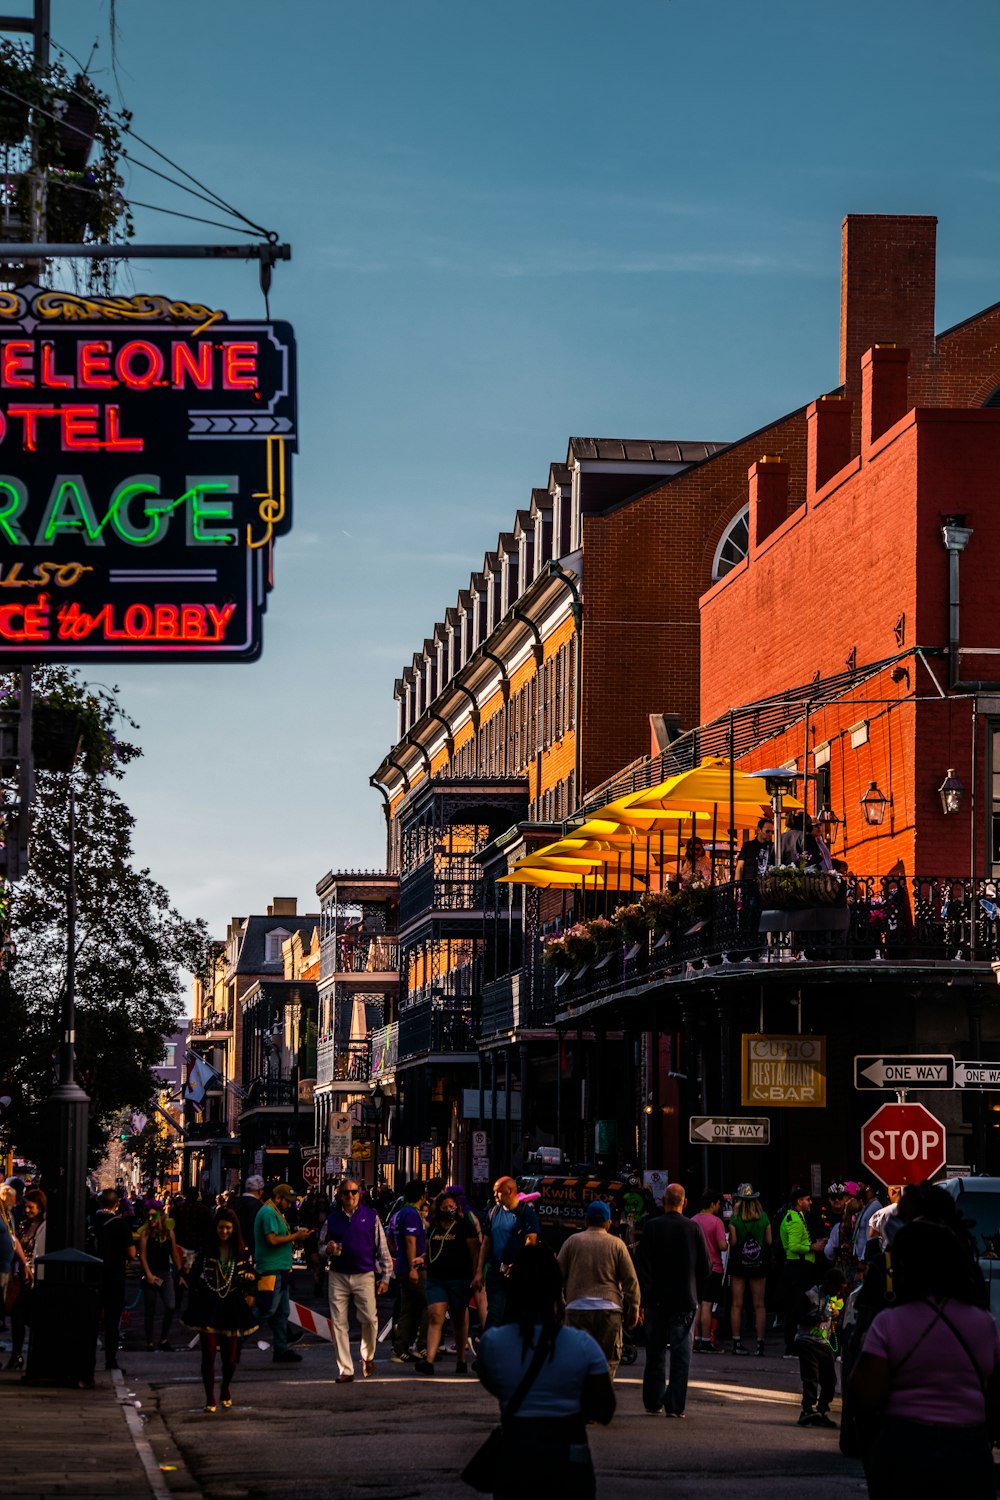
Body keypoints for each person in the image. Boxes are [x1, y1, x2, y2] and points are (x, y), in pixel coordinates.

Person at [850, 1217, 1000, 1496]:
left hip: (905, 1446)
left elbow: (865, 1395)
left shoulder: (889, 1324)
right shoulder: (984, 1324)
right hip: (969, 1450)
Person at [475, 1244, 614, 1500]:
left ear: (514, 1287)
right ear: (556, 1288)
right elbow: (604, 1410)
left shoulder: (493, 1343)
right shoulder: (583, 1346)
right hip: (568, 1453)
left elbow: (492, 1382)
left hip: (515, 1454)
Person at [635, 1182, 709, 1418]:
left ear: (663, 1201)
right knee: (681, 1352)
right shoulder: (693, 1229)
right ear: (684, 1203)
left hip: (656, 1299)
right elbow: (705, 1267)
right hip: (685, 1298)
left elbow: (642, 1267)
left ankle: (653, 1400)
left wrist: (643, 1299)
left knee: (655, 1350)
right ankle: (675, 1405)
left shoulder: (651, 1228)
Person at [183, 1207, 258, 1413]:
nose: (224, 1231)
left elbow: (251, 1273)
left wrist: (249, 1281)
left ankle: (225, 1388)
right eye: (221, 1227)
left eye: (227, 1228)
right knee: (208, 1354)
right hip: (208, 1306)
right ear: (215, 1228)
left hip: (232, 1306)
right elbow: (194, 1277)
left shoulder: (242, 1251)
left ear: (234, 1229)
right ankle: (210, 1398)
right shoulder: (206, 1250)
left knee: (230, 1359)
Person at [556, 1199, 639, 1379]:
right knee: (607, 1361)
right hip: (609, 1311)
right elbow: (630, 1281)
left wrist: (560, 1303)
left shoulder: (572, 1242)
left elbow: (555, 1277)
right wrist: (634, 1310)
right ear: (608, 1223)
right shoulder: (617, 1244)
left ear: (586, 1221)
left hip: (577, 1309)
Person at [320, 1178, 392, 1382]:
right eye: (346, 1193)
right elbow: (320, 1245)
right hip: (338, 1275)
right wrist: (328, 1249)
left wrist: (385, 1277)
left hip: (364, 1274)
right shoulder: (332, 1219)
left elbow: (382, 1248)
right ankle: (346, 1369)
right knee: (339, 1323)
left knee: (370, 1318)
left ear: (359, 1194)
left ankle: (367, 1356)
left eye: (353, 1192)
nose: (350, 1196)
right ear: (340, 1197)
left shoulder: (371, 1217)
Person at [415, 1189, 479, 1375]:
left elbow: (475, 1251)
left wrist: (476, 1274)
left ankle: (461, 1359)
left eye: (452, 1206)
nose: (449, 1209)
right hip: (436, 1279)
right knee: (436, 1316)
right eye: (445, 1207)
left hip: (459, 1278)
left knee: (459, 1320)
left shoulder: (464, 1226)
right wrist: (422, 1259)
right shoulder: (434, 1227)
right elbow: (429, 1250)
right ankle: (429, 1361)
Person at [254, 1183, 311, 1365]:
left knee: (281, 1312)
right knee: (267, 1309)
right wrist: (295, 1237)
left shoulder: (274, 1212)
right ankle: (236, 1339)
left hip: (280, 1268)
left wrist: (294, 1236)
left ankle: (281, 1349)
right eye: (288, 1202)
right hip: (271, 1269)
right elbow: (271, 1239)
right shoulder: (269, 1213)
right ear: (278, 1198)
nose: (289, 1205)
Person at [473, 1176, 540, 1328]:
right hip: (495, 1274)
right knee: (495, 1314)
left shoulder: (526, 1213)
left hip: (519, 1276)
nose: (495, 1195)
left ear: (510, 1191)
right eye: (494, 1192)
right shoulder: (493, 1212)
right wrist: (479, 1271)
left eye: (499, 1192)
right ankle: (490, 1348)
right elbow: (486, 1243)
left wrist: (517, 1264)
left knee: (515, 1316)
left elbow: (531, 1242)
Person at [794, 1265, 847, 1427]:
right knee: (811, 1377)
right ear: (827, 1283)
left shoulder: (832, 1299)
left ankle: (822, 1409)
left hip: (824, 1343)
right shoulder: (810, 1296)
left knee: (830, 1380)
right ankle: (807, 1409)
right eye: (837, 1288)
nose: (838, 1293)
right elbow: (797, 1317)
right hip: (807, 1341)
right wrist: (816, 1318)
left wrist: (835, 1316)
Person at [779, 1186, 826, 1357]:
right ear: (799, 1202)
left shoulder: (798, 1216)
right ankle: (791, 1345)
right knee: (794, 1307)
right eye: (807, 1199)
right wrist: (812, 1247)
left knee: (799, 1306)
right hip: (797, 1268)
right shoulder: (794, 1219)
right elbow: (793, 1246)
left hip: (801, 1267)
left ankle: (797, 1343)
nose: (810, 1202)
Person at [93, 1187, 137, 1371]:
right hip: (114, 1276)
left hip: (91, 1275)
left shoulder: (90, 1220)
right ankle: (110, 1360)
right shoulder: (119, 1224)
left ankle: (87, 1356)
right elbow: (132, 1253)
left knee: (91, 1317)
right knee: (112, 1321)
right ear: (117, 1204)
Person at [728, 1182, 772, 1356]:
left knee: (736, 1304)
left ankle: (737, 1342)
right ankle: (760, 1343)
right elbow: (768, 1241)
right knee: (759, 1305)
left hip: (740, 1264)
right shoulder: (764, 1217)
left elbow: (733, 1242)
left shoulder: (734, 1218)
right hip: (759, 1263)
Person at [6, 1188, 45, 1371]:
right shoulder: (24, 1225)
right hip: (23, 1277)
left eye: (31, 1207)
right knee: (18, 1315)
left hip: (36, 1277)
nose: (27, 1210)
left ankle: (19, 1355)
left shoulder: (44, 1226)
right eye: (26, 1207)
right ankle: (17, 1355)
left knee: (23, 1315)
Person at [391, 1179, 429, 1363]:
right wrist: (414, 1267)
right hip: (413, 1268)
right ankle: (423, 1344)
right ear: (422, 1196)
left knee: (409, 1307)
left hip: (402, 1266)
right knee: (430, 1303)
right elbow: (410, 1241)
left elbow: (392, 1239)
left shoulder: (400, 1213)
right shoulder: (411, 1214)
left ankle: (402, 1345)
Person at [138, 1201, 183, 1351]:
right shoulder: (145, 1234)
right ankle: (150, 1341)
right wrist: (148, 1275)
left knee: (170, 1305)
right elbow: (142, 1256)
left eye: (154, 1216)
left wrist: (181, 1273)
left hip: (165, 1273)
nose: (151, 1219)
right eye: (148, 1216)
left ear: (161, 1216)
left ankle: (163, 1338)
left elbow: (175, 1255)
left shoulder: (169, 1233)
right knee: (150, 1308)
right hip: (150, 1274)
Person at [689, 1189, 728, 1353]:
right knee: (707, 1305)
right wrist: (726, 1244)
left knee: (696, 1304)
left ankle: (695, 1339)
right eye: (718, 1204)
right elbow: (721, 1245)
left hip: (696, 1268)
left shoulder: (693, 1220)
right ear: (713, 1204)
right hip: (714, 1267)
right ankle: (706, 1340)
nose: (719, 1207)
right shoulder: (716, 1222)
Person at [234, 1174, 266, 1249]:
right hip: (251, 1247)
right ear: (260, 1190)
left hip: (235, 1244)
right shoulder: (258, 1205)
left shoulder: (236, 1202)